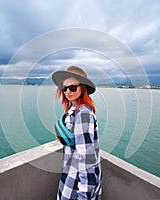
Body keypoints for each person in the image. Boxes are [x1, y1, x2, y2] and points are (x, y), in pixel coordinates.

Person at [52, 66, 102, 200]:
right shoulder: (74, 110)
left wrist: (84, 195)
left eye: (72, 87)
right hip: (70, 178)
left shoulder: (83, 114)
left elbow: (87, 160)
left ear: (82, 88)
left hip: (76, 186)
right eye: (64, 88)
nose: (68, 91)